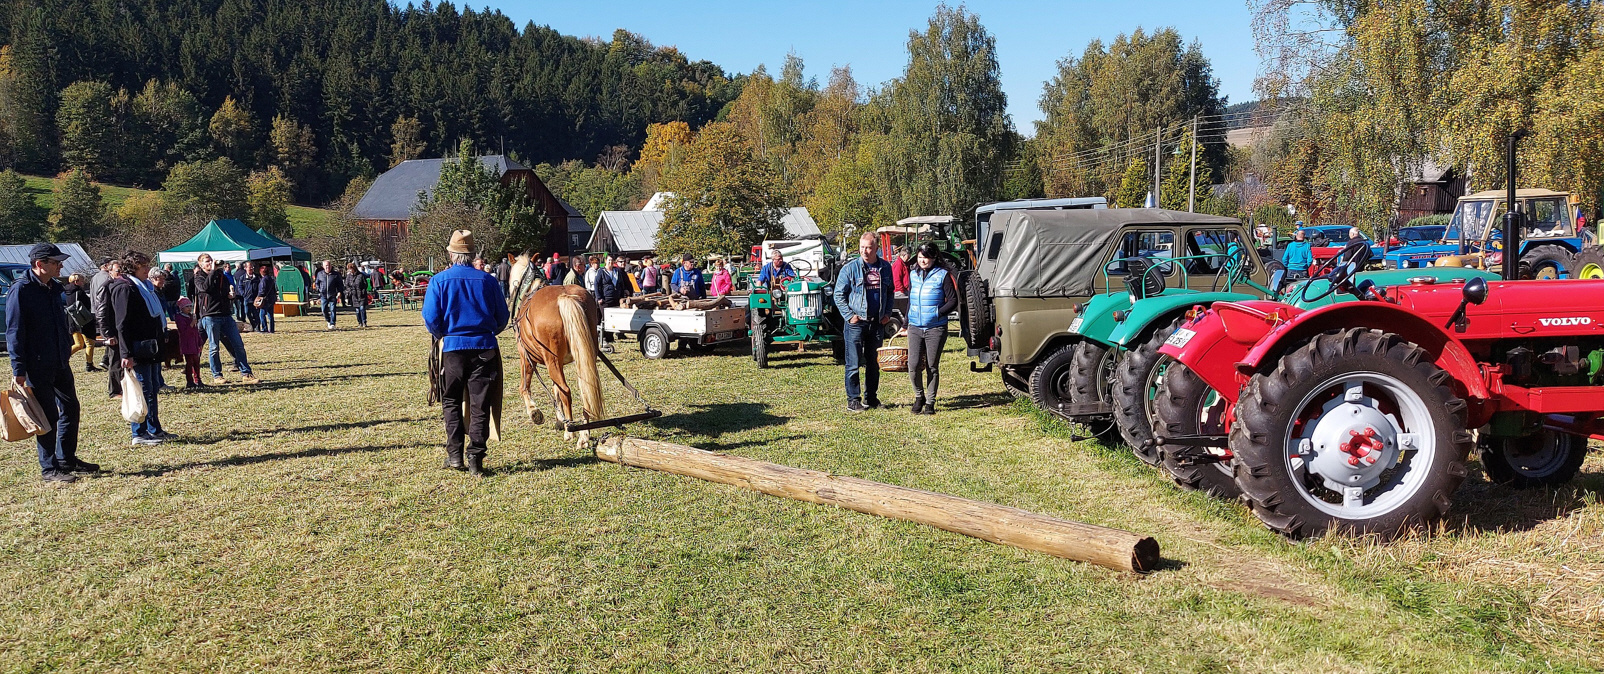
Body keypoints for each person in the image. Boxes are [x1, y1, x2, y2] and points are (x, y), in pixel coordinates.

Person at [422, 230, 509, 477]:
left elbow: (430, 318)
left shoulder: (439, 281)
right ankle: (476, 458)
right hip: (484, 349)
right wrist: (487, 331)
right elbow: (502, 317)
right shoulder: (489, 281)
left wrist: (444, 334)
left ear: (451, 254)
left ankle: (454, 455)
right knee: (480, 404)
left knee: (450, 401)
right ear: (472, 255)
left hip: (452, 350)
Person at [7, 244, 96, 482]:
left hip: (59, 359)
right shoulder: (21, 290)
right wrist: (19, 368)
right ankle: (49, 468)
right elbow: (15, 331)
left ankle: (66, 459)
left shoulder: (55, 288)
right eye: (56, 262)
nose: (61, 266)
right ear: (40, 264)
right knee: (47, 415)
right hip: (37, 364)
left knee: (70, 408)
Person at [108, 250, 175, 446]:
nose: (148, 269)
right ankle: (139, 433)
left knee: (153, 389)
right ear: (133, 268)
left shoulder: (146, 287)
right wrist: (126, 353)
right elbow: (122, 323)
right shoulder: (125, 288)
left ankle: (155, 429)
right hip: (138, 348)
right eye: (143, 266)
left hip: (151, 346)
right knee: (142, 390)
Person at [832, 232, 894, 412]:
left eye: (868, 247)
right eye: (862, 247)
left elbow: (890, 292)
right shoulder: (850, 269)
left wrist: (888, 313)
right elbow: (838, 295)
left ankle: (871, 398)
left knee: (873, 363)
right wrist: (850, 316)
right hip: (856, 323)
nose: (865, 251)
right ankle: (853, 400)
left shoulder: (885, 267)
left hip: (877, 323)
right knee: (853, 363)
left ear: (876, 248)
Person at [905, 243, 960, 415]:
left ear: (934, 258)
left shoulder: (943, 275)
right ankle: (918, 396)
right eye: (920, 257)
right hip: (915, 326)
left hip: (935, 328)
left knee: (932, 366)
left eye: (926, 257)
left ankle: (930, 402)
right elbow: (911, 301)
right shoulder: (913, 274)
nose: (923, 261)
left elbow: (952, 301)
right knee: (913, 365)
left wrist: (937, 313)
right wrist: (905, 323)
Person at [193, 253, 260, 385]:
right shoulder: (198, 277)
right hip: (210, 316)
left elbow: (224, 291)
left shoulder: (221, 275)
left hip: (225, 315)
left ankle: (246, 373)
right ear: (200, 264)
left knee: (238, 344)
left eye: (211, 260)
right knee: (214, 347)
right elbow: (205, 288)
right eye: (207, 261)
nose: (210, 263)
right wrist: (212, 271)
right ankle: (217, 375)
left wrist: (230, 296)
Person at [61, 273, 99, 372]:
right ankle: (89, 365)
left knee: (78, 344)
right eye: (82, 281)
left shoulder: (66, 292)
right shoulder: (79, 292)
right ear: (76, 281)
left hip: (72, 320)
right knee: (90, 343)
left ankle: (62, 358)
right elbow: (87, 304)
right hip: (83, 320)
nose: (83, 283)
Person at [174, 297, 204, 388]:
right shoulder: (180, 318)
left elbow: (196, 331)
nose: (189, 308)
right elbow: (183, 332)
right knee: (189, 362)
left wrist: (200, 342)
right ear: (182, 308)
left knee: (196, 362)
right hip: (187, 344)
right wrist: (191, 324)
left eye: (190, 306)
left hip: (194, 343)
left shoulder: (191, 316)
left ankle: (198, 379)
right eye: (187, 306)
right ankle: (189, 381)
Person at [315, 259, 344, 330]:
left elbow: (340, 284)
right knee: (323, 309)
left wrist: (339, 291)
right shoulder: (320, 274)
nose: (328, 267)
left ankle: (332, 323)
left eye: (329, 265)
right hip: (323, 295)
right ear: (323, 266)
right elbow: (317, 283)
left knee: (333, 309)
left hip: (333, 294)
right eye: (326, 266)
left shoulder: (336, 274)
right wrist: (319, 289)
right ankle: (328, 320)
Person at [344, 262, 370, 327]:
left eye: (350, 269)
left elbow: (365, 284)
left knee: (362, 308)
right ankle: (359, 322)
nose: (350, 271)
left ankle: (364, 322)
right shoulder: (348, 277)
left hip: (361, 295)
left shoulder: (360, 275)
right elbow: (347, 285)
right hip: (354, 295)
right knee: (357, 310)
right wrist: (350, 291)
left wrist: (363, 291)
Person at [254, 264, 277, 333]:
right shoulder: (271, 279)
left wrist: (258, 297)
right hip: (271, 299)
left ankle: (264, 328)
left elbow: (262, 290)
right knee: (270, 315)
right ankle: (272, 329)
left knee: (262, 315)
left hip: (265, 300)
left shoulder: (263, 280)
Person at [238, 262, 260, 331]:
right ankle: (253, 325)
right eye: (249, 267)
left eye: (252, 267)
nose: (251, 268)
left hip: (255, 299)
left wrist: (259, 295)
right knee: (247, 313)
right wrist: (243, 294)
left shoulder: (257, 277)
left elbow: (260, 286)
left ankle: (257, 327)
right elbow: (240, 287)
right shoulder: (243, 278)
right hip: (247, 299)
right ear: (245, 268)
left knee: (256, 314)